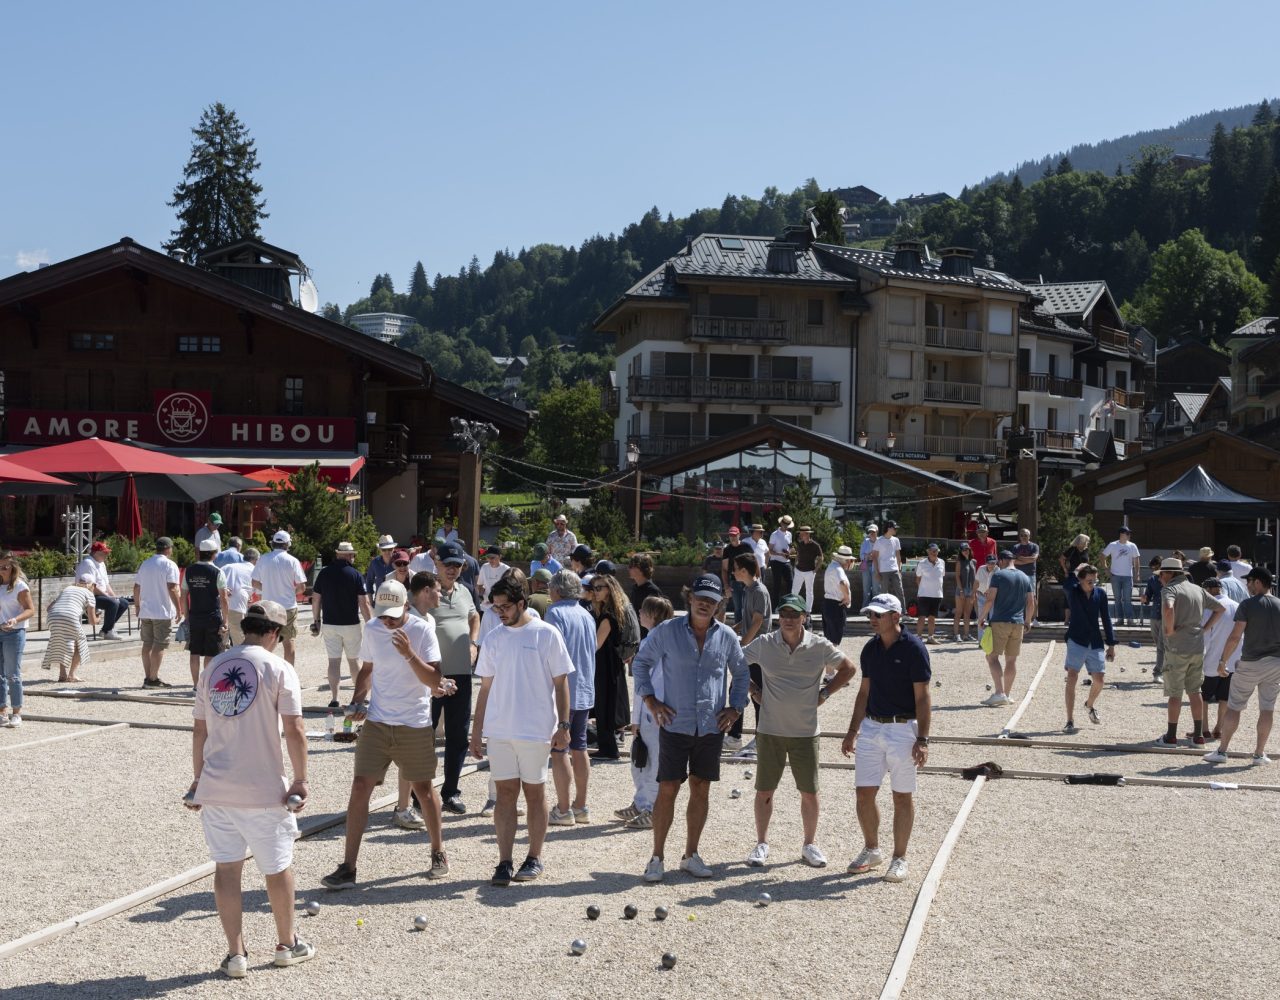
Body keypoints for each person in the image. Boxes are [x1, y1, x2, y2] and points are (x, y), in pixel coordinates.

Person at [184, 600, 313, 978]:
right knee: (277, 867)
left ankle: (235, 952)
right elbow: (295, 729)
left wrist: (197, 779)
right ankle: (287, 943)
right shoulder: (279, 667)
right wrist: (301, 779)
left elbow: (199, 730)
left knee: (226, 869)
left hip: (218, 784)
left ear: (247, 628)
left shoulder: (213, 668)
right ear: (275, 632)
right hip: (262, 787)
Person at [322, 580, 453, 891]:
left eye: (393, 615)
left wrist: (409, 653)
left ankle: (438, 852)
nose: (387, 621)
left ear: (406, 605)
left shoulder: (422, 631)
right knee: (359, 786)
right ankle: (348, 866)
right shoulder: (373, 627)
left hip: (414, 723)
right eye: (383, 615)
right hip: (378, 722)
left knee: (423, 789)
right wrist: (357, 700)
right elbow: (367, 669)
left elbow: (434, 680)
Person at [633, 574, 748, 883]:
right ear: (690, 598)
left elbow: (741, 671)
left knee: (701, 788)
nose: (704, 604)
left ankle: (690, 855)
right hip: (675, 723)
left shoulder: (726, 636)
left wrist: (736, 707)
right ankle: (656, 857)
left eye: (711, 600)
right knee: (668, 789)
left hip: (711, 727)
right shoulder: (667, 632)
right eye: (700, 598)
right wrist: (650, 700)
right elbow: (640, 662)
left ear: (718, 604)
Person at [469, 575, 573, 886]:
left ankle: (534, 856)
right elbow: (485, 688)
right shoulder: (494, 638)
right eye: (495, 606)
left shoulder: (547, 634)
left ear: (521, 603)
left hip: (536, 730)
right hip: (500, 731)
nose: (499, 612)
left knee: (534, 792)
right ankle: (504, 861)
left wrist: (564, 725)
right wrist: (476, 732)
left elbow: (561, 682)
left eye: (504, 606)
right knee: (504, 795)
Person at [744, 594, 856, 869]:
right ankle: (761, 843)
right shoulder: (766, 643)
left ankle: (809, 844)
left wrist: (826, 693)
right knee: (764, 790)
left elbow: (849, 669)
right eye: (784, 614)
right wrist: (753, 690)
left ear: (804, 617)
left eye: (794, 615)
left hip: (806, 732)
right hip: (770, 730)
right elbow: (734, 661)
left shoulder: (818, 645)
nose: (788, 620)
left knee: (809, 791)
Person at [842, 593, 931, 883]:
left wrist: (923, 739)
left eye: (878, 615)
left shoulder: (915, 649)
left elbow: (923, 697)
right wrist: (853, 730)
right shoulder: (870, 649)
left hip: (902, 728)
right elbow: (864, 692)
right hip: (871, 728)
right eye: (870, 615)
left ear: (896, 617)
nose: (872, 620)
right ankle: (872, 849)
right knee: (863, 792)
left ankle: (900, 857)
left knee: (901, 796)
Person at [1204, 567, 1279, 765]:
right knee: (1267, 709)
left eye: (1249, 581)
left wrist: (1223, 661)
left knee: (1235, 707)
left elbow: (1235, 636)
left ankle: (1222, 751)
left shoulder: (1247, 605)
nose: (1247, 585)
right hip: (1275, 663)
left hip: (1251, 662)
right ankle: (1259, 754)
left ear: (1257, 582)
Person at [430, 544, 481, 816]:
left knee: (458, 735)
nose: (452, 569)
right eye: (447, 564)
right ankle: (420, 794)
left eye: (457, 565)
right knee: (425, 735)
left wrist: (474, 642)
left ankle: (450, 792)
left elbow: (474, 616)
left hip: (461, 673)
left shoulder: (465, 592)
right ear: (437, 564)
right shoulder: (426, 591)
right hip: (431, 675)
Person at [545, 570, 598, 825]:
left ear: (556, 589)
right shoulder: (586, 614)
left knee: (559, 749)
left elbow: (550, 653)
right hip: (585, 686)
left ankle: (564, 808)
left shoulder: (555, 613)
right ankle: (581, 805)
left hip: (563, 689)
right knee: (580, 746)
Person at [618, 595, 675, 830]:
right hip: (648, 709)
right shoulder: (653, 638)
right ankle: (641, 802)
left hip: (655, 709)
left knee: (652, 761)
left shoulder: (660, 641)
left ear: (652, 615)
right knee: (640, 759)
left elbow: (651, 681)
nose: (639, 612)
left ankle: (651, 808)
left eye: (643, 610)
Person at [1157, 557, 1223, 747]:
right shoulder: (1197, 589)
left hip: (1177, 647)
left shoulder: (1170, 589)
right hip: (1196, 646)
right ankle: (1198, 736)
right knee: (1195, 691)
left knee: (1175, 693)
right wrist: (1205, 628)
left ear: (1168, 574)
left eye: (1161, 574)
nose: (1160, 578)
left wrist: (1169, 630)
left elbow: (1168, 609)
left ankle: (1171, 736)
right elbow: (1220, 608)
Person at [310, 541, 372, 709]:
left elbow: (316, 599)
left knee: (334, 662)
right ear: (349, 556)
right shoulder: (356, 575)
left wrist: (316, 620)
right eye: (352, 555)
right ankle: (359, 697)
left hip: (330, 623)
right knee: (354, 662)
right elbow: (364, 603)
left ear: (338, 554)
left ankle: (334, 698)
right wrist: (371, 624)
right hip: (351, 623)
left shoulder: (323, 574)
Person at [1060, 563, 1115, 733]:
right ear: (1081, 580)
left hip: (1095, 640)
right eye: (1089, 580)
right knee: (1072, 677)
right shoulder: (1073, 591)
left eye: (1095, 580)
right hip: (1076, 639)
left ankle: (1089, 705)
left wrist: (1111, 644)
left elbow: (1106, 618)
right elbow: (1067, 583)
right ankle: (1069, 720)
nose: (1093, 583)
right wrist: (1076, 570)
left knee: (1099, 680)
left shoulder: (1101, 594)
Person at [726, 553, 771, 755]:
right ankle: (735, 736)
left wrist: (743, 644)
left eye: (735, 568)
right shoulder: (748, 589)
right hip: (750, 648)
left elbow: (758, 621)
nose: (733, 572)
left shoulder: (759, 591)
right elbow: (747, 620)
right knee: (738, 688)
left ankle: (761, 738)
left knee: (757, 693)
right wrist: (731, 629)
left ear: (744, 570)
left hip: (758, 650)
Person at [977, 550, 1034, 707]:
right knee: (1011, 660)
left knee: (992, 657)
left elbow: (990, 599)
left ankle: (999, 693)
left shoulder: (998, 576)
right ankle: (1007, 695)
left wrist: (981, 618)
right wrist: (1028, 621)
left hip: (1001, 621)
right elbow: (1031, 602)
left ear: (1001, 561)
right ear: (1013, 560)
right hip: (1018, 623)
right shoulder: (1025, 577)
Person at [588, 572, 631, 761]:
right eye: (593, 588)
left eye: (599, 588)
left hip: (605, 665)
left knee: (605, 705)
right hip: (610, 664)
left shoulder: (607, 616)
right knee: (606, 704)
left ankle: (608, 748)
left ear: (609, 590)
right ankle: (607, 747)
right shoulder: (613, 611)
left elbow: (596, 644)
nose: (595, 592)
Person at [252, 531, 307, 666]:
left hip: (268, 606)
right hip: (288, 606)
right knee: (289, 642)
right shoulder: (292, 560)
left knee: (267, 640)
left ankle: (265, 670)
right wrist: (290, 592)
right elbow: (302, 587)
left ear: (273, 543)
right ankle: (289, 673)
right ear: (287, 544)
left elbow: (254, 582)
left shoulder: (263, 559)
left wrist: (268, 589)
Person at [134, 537, 182, 688]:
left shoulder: (145, 563)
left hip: (146, 609)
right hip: (162, 610)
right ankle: (153, 679)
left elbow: (136, 587)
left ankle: (148, 677)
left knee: (147, 644)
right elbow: (173, 588)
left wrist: (137, 606)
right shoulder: (169, 564)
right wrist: (179, 609)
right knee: (159, 645)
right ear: (168, 548)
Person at [1197, 576, 1240, 740]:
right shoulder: (1237, 606)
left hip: (1212, 659)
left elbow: (1204, 635)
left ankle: (1204, 728)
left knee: (1204, 696)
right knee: (1224, 697)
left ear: (1209, 590)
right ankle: (1219, 728)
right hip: (1233, 659)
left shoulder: (1209, 608)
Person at [184, 539, 231, 687]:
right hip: (212, 616)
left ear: (200, 553)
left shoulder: (189, 570)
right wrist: (226, 620)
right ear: (214, 554)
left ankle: (195, 685)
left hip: (194, 615)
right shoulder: (217, 572)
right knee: (211, 653)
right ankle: (206, 685)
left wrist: (186, 617)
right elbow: (223, 598)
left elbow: (183, 595)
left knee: (194, 652)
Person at [0, 553, 35, 727]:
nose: (2, 570)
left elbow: (30, 610)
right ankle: (1, 712)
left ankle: (17, 712)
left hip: (14, 633)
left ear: (13, 568)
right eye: (0, 567)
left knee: (12, 674)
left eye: (5, 567)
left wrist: (15, 619)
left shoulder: (20, 586)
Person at [42, 575, 97, 683]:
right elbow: (92, 621)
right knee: (80, 644)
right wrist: (98, 619)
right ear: (93, 585)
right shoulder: (90, 594)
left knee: (63, 643)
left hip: (52, 617)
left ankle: (62, 675)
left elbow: (49, 608)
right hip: (69, 617)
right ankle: (71, 675)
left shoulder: (68, 588)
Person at [76, 540, 130, 640]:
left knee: (123, 603)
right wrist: (109, 597)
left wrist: (114, 596)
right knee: (113, 603)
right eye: (104, 553)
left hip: (101, 595)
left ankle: (105, 630)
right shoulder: (88, 563)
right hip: (90, 596)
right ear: (96, 553)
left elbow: (106, 583)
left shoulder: (101, 563)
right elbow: (91, 587)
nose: (106, 555)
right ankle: (108, 632)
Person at [1102, 527, 1141, 627]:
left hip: (1128, 576)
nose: (1129, 535)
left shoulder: (1132, 546)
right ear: (1122, 534)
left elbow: (1136, 561)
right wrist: (1106, 569)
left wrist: (1137, 574)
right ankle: (1120, 619)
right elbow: (1102, 556)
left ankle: (1130, 619)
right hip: (1115, 576)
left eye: (1129, 533)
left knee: (1127, 599)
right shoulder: (1113, 545)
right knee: (1117, 598)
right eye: (1127, 533)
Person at [913, 543, 946, 644]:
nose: (934, 552)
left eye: (936, 550)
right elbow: (918, 578)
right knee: (921, 617)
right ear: (928, 551)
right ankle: (919, 637)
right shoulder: (922, 563)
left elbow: (941, 577)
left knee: (932, 617)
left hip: (937, 594)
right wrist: (922, 590)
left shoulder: (942, 562)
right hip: (924, 594)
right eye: (932, 550)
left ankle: (930, 637)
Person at [823, 546, 854, 646]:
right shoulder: (838, 569)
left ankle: (828, 660)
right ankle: (831, 661)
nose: (850, 563)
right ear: (846, 561)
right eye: (850, 560)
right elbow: (843, 583)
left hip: (829, 604)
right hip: (835, 606)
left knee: (830, 638)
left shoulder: (832, 566)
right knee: (834, 640)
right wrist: (847, 597)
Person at [722, 526, 754, 625]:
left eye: (734, 535)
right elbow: (724, 569)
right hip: (734, 581)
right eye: (731, 535)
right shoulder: (727, 550)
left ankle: (749, 627)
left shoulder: (746, 546)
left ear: (739, 535)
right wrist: (726, 586)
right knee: (738, 607)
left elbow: (754, 562)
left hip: (747, 581)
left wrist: (756, 578)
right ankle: (737, 630)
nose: (732, 537)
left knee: (749, 606)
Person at [1141, 556, 1166, 680]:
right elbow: (1148, 596)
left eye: (1156, 567)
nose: (1154, 570)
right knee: (1159, 645)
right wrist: (1145, 599)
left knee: (1161, 645)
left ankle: (1158, 672)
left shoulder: (1172, 579)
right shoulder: (1152, 579)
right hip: (1155, 615)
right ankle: (1165, 668)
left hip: (1167, 615)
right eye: (1153, 568)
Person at [871, 520, 905, 608]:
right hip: (883, 570)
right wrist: (877, 572)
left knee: (900, 591)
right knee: (883, 593)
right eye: (894, 528)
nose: (896, 530)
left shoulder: (896, 540)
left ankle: (904, 612)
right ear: (889, 528)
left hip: (895, 570)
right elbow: (874, 557)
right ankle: (883, 611)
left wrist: (899, 570)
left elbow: (898, 556)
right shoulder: (879, 541)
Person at [1059, 534, 1091, 626]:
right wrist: (1065, 570)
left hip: (1083, 576)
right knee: (1070, 594)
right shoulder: (1072, 549)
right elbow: (1061, 559)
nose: (1087, 543)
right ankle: (1067, 620)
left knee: (1081, 596)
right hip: (1073, 575)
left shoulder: (1086, 550)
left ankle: (1077, 618)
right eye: (1086, 541)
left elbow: (1087, 562)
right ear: (1081, 541)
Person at [1012, 528, 1040, 623]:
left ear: (1029, 536)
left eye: (1026, 535)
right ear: (1019, 536)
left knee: (1032, 597)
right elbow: (1014, 561)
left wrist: (1020, 558)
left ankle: (1034, 618)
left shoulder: (1034, 546)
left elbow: (1033, 559)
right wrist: (1027, 560)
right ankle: (1020, 617)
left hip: (1030, 574)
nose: (1024, 537)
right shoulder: (1015, 547)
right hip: (1018, 574)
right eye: (1022, 535)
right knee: (1018, 596)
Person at [794, 525, 824, 614]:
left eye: (802, 534)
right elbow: (798, 554)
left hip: (809, 571)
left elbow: (821, 557)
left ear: (807, 534)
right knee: (794, 590)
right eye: (800, 534)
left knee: (809, 592)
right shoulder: (800, 544)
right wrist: (795, 564)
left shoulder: (815, 545)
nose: (800, 535)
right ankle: (794, 609)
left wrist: (815, 570)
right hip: (799, 570)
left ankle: (808, 612)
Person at [768, 515, 795, 608]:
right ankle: (775, 606)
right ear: (781, 523)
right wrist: (780, 554)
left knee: (791, 582)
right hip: (776, 561)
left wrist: (790, 552)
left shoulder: (789, 534)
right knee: (777, 584)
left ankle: (789, 605)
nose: (786, 526)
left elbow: (790, 547)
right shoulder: (774, 534)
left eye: (787, 525)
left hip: (786, 561)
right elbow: (770, 550)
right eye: (785, 524)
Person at [953, 541, 976, 642]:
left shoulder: (973, 561)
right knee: (959, 612)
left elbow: (975, 578)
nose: (965, 551)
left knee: (967, 613)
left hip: (971, 590)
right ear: (961, 551)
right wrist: (961, 590)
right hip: (961, 589)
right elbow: (957, 576)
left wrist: (974, 592)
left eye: (967, 549)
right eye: (963, 550)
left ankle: (966, 634)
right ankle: (956, 634)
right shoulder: (959, 562)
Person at [859, 524, 879, 605]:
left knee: (876, 589)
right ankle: (865, 607)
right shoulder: (865, 542)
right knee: (866, 588)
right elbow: (861, 556)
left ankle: (876, 606)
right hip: (866, 565)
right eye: (870, 532)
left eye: (873, 532)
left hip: (876, 565)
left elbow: (881, 555)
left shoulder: (880, 541)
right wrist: (868, 556)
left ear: (877, 532)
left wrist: (870, 556)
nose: (872, 533)